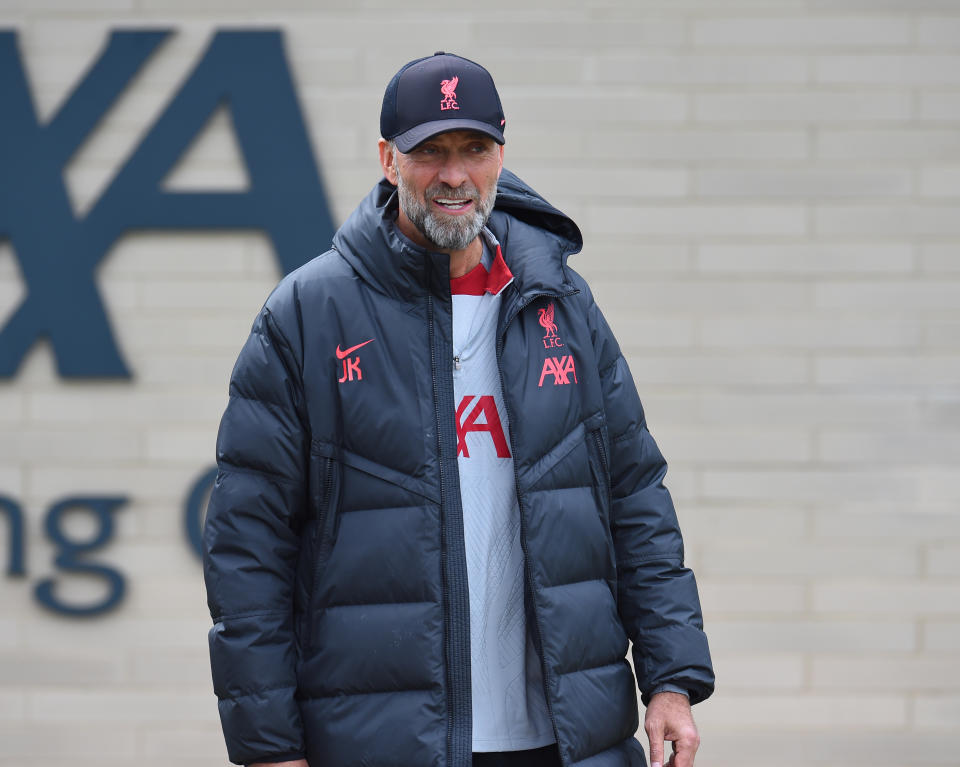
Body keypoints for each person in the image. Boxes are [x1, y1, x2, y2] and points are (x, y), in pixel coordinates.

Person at [203, 51, 714, 767]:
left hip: (565, 738)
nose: (454, 174)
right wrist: (269, 748)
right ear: (387, 159)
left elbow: (634, 499)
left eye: (473, 149)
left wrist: (671, 677)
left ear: (501, 152)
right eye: (429, 152)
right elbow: (247, 548)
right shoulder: (309, 315)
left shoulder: (560, 304)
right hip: (382, 742)